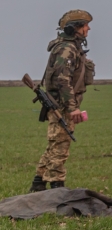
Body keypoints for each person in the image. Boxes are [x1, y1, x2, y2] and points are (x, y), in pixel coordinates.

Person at [31, 10, 96, 192]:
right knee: (60, 146)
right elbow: (62, 80)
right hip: (62, 106)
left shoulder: (71, 47)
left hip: (63, 104)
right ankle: (57, 187)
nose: (88, 29)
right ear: (75, 28)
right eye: (85, 26)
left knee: (55, 143)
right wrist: (72, 108)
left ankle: (38, 183)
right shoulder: (67, 49)